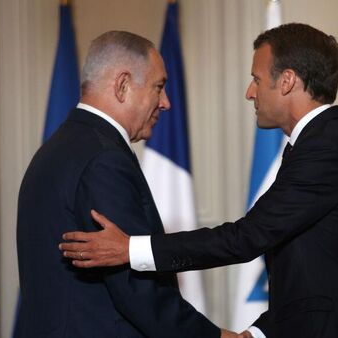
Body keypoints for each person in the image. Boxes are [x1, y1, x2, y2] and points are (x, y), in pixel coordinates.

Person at [59, 24, 338, 338]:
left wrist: (131, 249)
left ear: (287, 81)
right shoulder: (318, 144)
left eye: (256, 79)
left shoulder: (326, 148)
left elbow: (248, 237)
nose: (250, 93)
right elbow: (311, 272)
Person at [16, 31, 237, 338]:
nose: (166, 103)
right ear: (122, 85)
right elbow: (135, 288)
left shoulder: (61, 147)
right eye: (158, 87)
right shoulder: (102, 158)